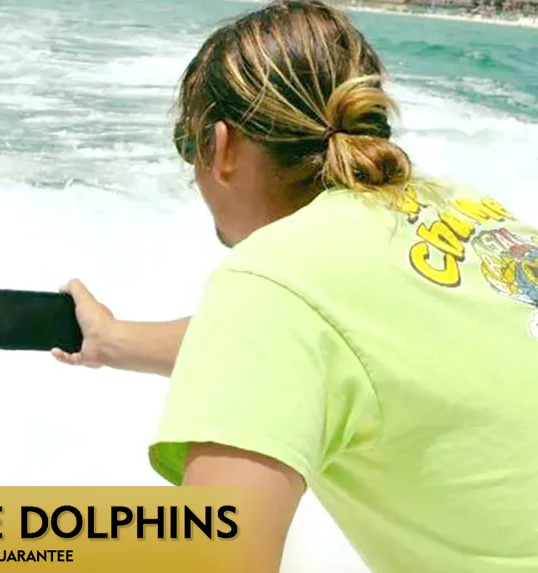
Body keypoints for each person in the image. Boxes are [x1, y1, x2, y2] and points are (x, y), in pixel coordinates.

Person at [51, 1, 538, 571]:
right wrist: (111, 340)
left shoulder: (270, 282)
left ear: (223, 146)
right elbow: (321, 348)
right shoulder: (464, 208)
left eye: (190, 149)